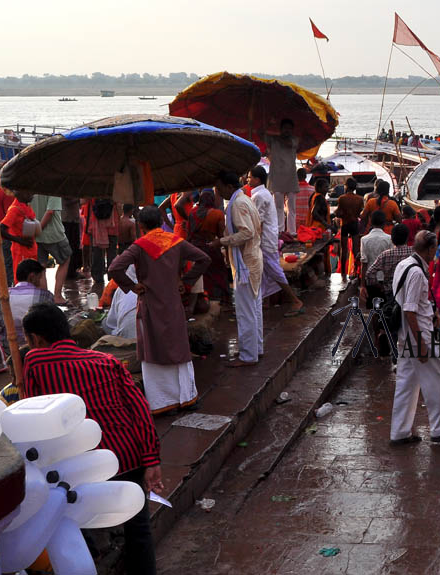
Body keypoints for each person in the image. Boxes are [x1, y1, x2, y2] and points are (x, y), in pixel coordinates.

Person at [20, 302, 162, 575]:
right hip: (127, 455)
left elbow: (32, 411)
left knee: (68, 516)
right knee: (139, 528)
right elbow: (140, 408)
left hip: (79, 465)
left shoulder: (36, 361)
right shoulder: (107, 361)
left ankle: (91, 553)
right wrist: (152, 458)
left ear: (36, 339)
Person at [108, 207, 210, 414]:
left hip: (150, 304)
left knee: (153, 350)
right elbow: (204, 259)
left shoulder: (138, 247)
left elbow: (114, 268)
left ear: (141, 225)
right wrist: (186, 280)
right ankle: (187, 397)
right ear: (160, 222)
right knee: (178, 347)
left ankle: (163, 402)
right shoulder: (175, 241)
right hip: (173, 302)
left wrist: (132, 286)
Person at [390, 230, 440, 445]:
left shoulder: (405, 265)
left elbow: (410, 305)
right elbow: (410, 310)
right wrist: (421, 343)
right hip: (418, 336)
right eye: (434, 249)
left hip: (407, 335)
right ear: (430, 249)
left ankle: (400, 431)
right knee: (437, 380)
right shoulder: (416, 272)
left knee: (407, 384)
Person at [213, 171, 264, 367]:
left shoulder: (238, 203)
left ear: (228, 187)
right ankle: (255, 350)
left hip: (247, 262)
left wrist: (222, 242)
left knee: (246, 311)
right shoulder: (245, 199)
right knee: (254, 308)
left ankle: (248, 355)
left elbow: (247, 232)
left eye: (219, 187)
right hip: (251, 259)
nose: (218, 191)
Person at [245, 166, 305, 315]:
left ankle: (295, 301)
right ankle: (265, 302)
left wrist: (252, 240)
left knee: (273, 270)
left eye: (249, 177)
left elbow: (259, 222)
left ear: (257, 179)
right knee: (265, 271)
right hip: (269, 238)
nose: (247, 180)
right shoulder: (264, 193)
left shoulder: (259, 196)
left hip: (265, 240)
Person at [0, 259, 54, 345]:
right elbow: (50, 322)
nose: (41, 281)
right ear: (32, 277)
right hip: (37, 344)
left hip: (8, 345)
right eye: (40, 277)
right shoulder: (45, 295)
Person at [31, 193, 72, 304]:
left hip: (35, 234)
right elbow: (50, 212)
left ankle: (44, 299)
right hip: (53, 234)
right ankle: (57, 296)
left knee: (41, 267)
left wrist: (35, 231)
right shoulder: (52, 189)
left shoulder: (31, 187)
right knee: (65, 260)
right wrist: (39, 229)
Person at [265, 118, 300, 234]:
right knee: (278, 207)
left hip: (290, 176)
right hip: (276, 176)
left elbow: (288, 143)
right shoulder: (273, 139)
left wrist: (275, 136)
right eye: (285, 128)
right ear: (280, 129)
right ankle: (279, 231)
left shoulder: (295, 140)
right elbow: (260, 134)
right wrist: (268, 124)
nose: (287, 131)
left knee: (292, 208)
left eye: (289, 129)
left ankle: (292, 232)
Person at [366, 225, 413, 301]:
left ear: (391, 239)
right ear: (407, 238)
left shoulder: (385, 255)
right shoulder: (414, 252)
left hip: (391, 292)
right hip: (410, 291)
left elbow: (369, 273)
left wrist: (380, 287)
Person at [359, 210, 394, 306]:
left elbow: (364, 263)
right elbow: (391, 262)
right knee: (386, 308)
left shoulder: (364, 239)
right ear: (384, 223)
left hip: (370, 280)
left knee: (373, 310)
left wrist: (362, 285)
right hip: (385, 280)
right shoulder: (389, 238)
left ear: (370, 221)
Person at [0, 188, 38, 275]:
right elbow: (1, 229)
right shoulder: (14, 209)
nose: (32, 194)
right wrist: (19, 240)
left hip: (31, 249)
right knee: (23, 280)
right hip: (21, 252)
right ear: (19, 193)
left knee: (33, 279)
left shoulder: (26, 205)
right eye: (28, 191)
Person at [333, 177, 364, 279]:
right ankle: (356, 272)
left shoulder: (342, 198)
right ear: (355, 187)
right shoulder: (360, 199)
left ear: (346, 186)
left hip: (345, 225)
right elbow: (360, 213)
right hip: (354, 224)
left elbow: (339, 213)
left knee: (344, 250)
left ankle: (343, 273)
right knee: (356, 250)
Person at [87, 198, 119, 287]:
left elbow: (84, 202)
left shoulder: (93, 194)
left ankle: (98, 277)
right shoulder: (114, 191)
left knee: (97, 251)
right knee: (112, 252)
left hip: (96, 225)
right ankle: (112, 277)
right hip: (113, 224)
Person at [104, 264, 139, 339]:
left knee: (105, 323)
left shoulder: (122, 288)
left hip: (127, 339)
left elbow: (111, 323)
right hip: (155, 341)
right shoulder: (161, 285)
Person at [62, 196, 83, 279]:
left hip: (73, 219)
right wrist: (78, 199)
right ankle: (69, 272)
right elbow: (66, 200)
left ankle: (73, 271)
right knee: (70, 246)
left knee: (75, 245)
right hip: (67, 219)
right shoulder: (65, 187)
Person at [295, 168, 313, 232]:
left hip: (295, 223)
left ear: (296, 176)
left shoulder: (292, 192)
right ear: (305, 176)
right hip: (309, 222)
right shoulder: (313, 190)